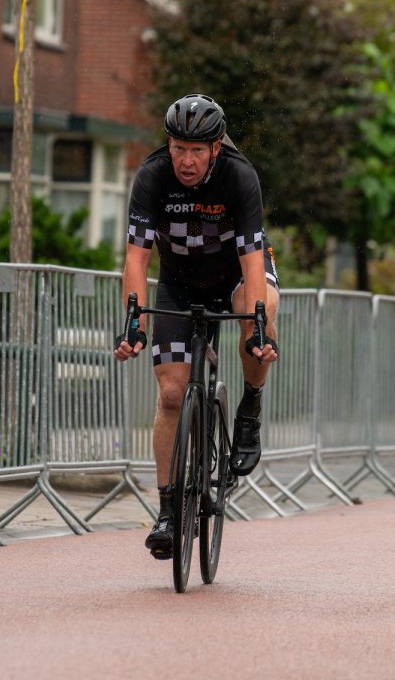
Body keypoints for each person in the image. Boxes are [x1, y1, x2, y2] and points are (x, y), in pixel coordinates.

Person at [113, 94, 279, 560]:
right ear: (168, 144)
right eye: (179, 148)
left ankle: (250, 407)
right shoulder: (152, 176)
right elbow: (136, 259)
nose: (186, 161)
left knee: (261, 309)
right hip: (180, 282)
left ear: (216, 149)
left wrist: (258, 328)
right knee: (170, 395)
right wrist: (133, 323)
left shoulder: (239, 176)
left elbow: (252, 261)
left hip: (235, 274)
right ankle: (168, 511)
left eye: (197, 151)